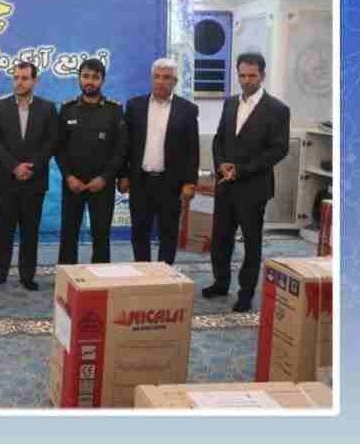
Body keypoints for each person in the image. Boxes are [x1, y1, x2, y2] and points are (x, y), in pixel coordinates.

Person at [202, 52, 291, 312]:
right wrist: (221, 164)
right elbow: (219, 139)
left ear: (262, 75)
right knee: (220, 238)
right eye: (242, 75)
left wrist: (240, 171)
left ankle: (246, 292)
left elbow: (278, 150)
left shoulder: (278, 109)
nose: (246, 80)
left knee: (251, 243)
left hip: (253, 187)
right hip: (226, 184)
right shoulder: (230, 103)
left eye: (252, 75)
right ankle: (220, 283)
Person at [0, 62, 58, 291]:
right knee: (3, 231)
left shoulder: (47, 108)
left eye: (24, 78)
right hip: (6, 180)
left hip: (34, 181)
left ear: (35, 81)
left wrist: (31, 166)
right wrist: (15, 167)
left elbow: (52, 142)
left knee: (30, 231)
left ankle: (27, 276)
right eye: (16, 77)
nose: (19, 82)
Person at [117, 57, 200, 265]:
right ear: (151, 78)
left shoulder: (187, 109)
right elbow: (125, 144)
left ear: (175, 81)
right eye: (157, 77)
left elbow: (192, 149)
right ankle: (143, 273)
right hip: (140, 181)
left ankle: (165, 274)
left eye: (166, 77)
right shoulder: (135, 106)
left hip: (170, 183)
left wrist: (190, 182)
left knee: (168, 234)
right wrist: (123, 174)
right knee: (139, 232)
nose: (160, 81)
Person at [55, 58, 128, 265]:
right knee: (68, 234)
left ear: (102, 80)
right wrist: (69, 176)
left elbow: (121, 149)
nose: (90, 81)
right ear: (79, 78)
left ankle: (100, 277)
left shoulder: (114, 110)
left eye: (95, 77)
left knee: (101, 235)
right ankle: (66, 276)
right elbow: (59, 148)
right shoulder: (67, 109)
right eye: (86, 76)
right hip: (73, 184)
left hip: (102, 185)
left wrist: (105, 178)